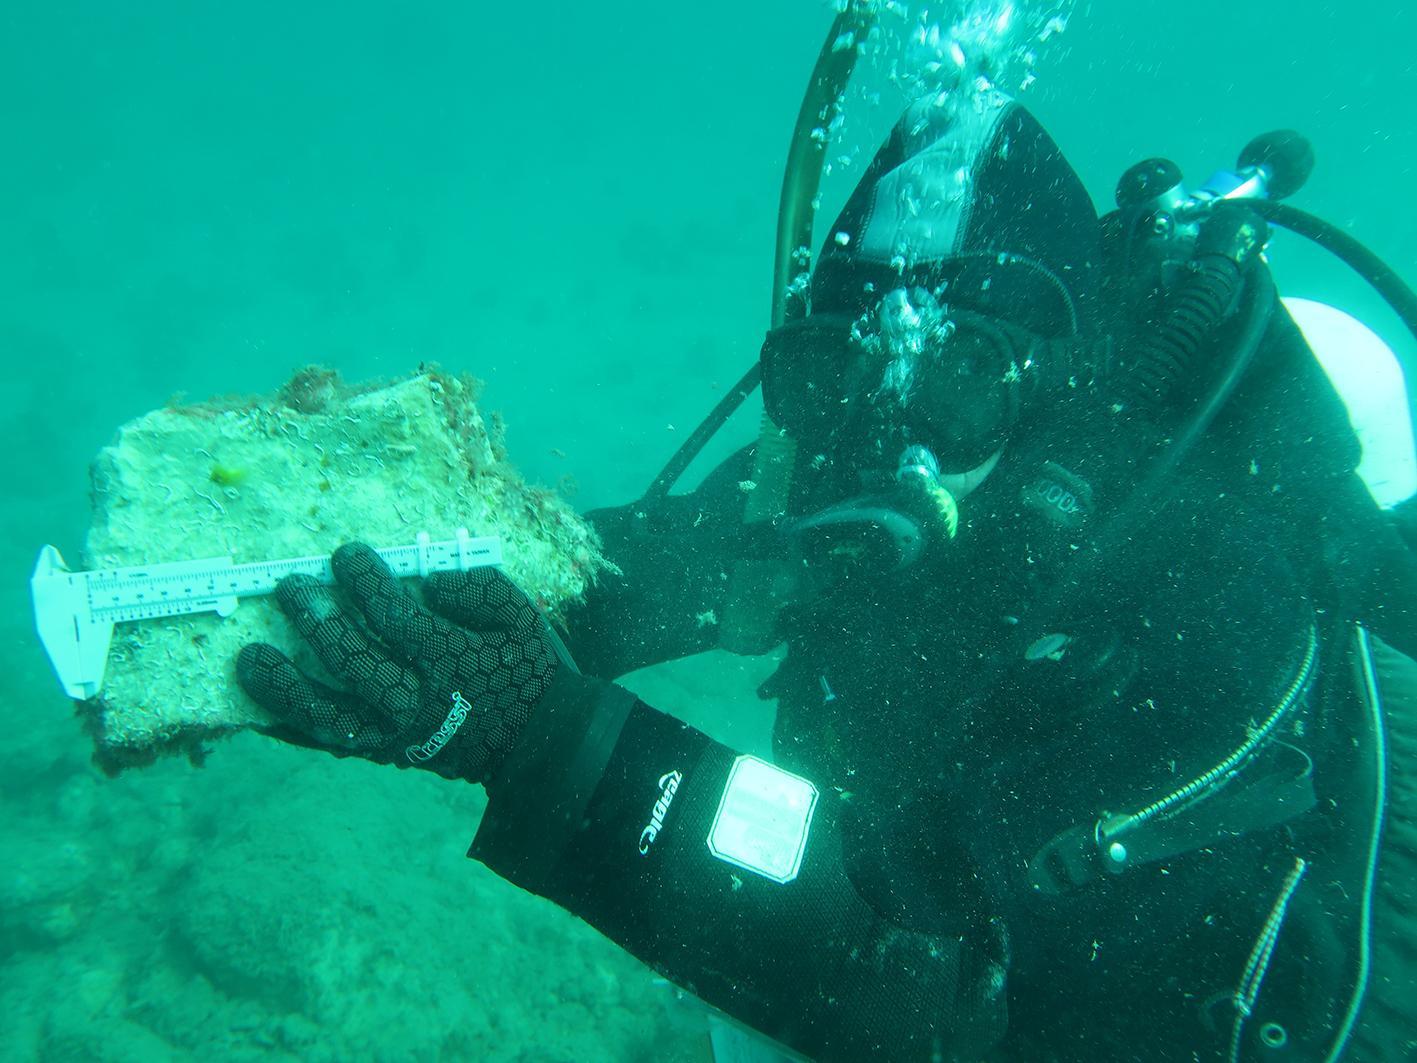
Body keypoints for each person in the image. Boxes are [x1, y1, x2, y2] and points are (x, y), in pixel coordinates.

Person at [233, 90, 1417, 1061]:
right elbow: (605, 581)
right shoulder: (840, 469)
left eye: (959, 373)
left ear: (1056, 380)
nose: (890, 437)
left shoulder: (1211, 574)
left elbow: (935, 979)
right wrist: (342, 585)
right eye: (839, 374)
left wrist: (537, 740)